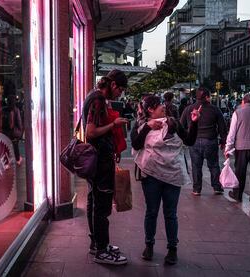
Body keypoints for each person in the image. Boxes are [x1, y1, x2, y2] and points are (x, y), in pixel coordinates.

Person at [132, 95, 200, 265]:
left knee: (170, 214)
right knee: (151, 212)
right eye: (159, 104)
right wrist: (147, 127)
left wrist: (194, 122)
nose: (164, 106)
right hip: (151, 176)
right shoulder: (140, 125)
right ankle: (149, 245)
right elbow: (136, 144)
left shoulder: (173, 123)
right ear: (150, 110)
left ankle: (172, 249)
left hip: (172, 174)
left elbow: (189, 141)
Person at [83, 69, 128, 265]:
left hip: (97, 161)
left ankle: (97, 244)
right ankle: (101, 250)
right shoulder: (98, 99)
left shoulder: (93, 96)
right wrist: (114, 124)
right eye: (120, 89)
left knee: (95, 201)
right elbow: (91, 132)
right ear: (113, 85)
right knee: (102, 206)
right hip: (100, 162)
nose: (120, 94)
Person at [180, 87, 227, 196]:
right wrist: (224, 141)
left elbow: (181, 125)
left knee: (196, 166)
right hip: (210, 140)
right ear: (207, 97)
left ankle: (197, 189)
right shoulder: (215, 109)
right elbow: (222, 127)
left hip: (194, 141)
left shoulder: (188, 109)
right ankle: (217, 187)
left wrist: (185, 139)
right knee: (214, 165)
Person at [2, 95, 24, 165]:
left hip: (6, 132)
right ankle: (18, 160)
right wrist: (20, 131)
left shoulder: (4, 109)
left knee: (6, 147)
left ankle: (6, 163)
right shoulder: (16, 109)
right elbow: (19, 121)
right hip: (14, 133)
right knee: (15, 146)